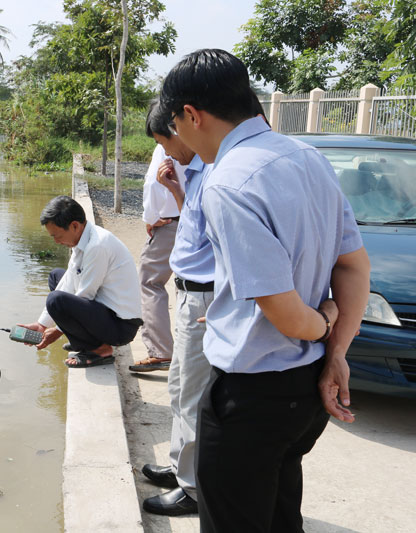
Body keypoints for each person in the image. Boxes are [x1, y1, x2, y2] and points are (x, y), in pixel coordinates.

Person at [160, 49, 370, 532]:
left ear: (191, 115)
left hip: (252, 398)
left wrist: (324, 325)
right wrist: (335, 351)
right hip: (304, 392)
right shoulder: (307, 156)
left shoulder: (227, 184)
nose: (179, 137)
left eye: (176, 123)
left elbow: (287, 314)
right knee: (278, 514)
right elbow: (354, 266)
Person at [139, 103, 213, 516]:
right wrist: (177, 193)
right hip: (190, 293)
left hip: (205, 297)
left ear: (186, 123)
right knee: (179, 389)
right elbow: (198, 228)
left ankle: (194, 488)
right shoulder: (200, 171)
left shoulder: (219, 169)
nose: (168, 153)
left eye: (167, 141)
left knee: (194, 395)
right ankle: (178, 465)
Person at [20, 195, 143, 368]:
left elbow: (85, 295)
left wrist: (57, 331)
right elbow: (68, 281)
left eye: (57, 236)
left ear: (75, 226)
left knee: (56, 300)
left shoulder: (97, 246)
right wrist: (42, 325)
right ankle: (85, 341)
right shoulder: (82, 241)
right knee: (56, 276)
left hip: (120, 326)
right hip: (105, 313)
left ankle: (101, 349)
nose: (56, 241)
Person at [128, 100, 193, 373]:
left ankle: (161, 350)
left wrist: (150, 218)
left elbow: (154, 184)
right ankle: (187, 350)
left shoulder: (165, 146)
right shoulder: (205, 147)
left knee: (151, 282)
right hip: (191, 220)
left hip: (168, 223)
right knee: (186, 286)